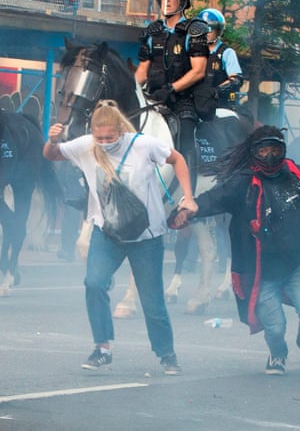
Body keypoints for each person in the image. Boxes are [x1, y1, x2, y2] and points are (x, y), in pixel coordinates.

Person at [43, 100, 196, 375]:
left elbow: (177, 159)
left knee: (152, 300)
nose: (104, 143)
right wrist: (52, 140)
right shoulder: (86, 145)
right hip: (107, 232)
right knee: (94, 283)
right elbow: (52, 155)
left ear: (121, 132)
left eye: (109, 138)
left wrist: (188, 197)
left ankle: (166, 354)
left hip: (146, 235)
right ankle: (102, 348)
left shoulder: (143, 145)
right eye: (99, 138)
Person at [172, 125, 300, 375]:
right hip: (262, 271)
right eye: (263, 151)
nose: (270, 156)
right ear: (253, 153)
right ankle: (278, 354)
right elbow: (212, 199)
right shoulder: (241, 183)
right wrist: (187, 211)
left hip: (297, 262)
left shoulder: (295, 173)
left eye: (275, 150)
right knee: (275, 327)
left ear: (283, 150)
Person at [134, 0, 209, 188]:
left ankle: (187, 194)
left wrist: (172, 89)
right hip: (153, 98)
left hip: (183, 100)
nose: (166, 1)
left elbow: (198, 70)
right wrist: (131, 89)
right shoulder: (152, 32)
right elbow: (142, 71)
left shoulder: (195, 30)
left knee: (186, 135)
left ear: (183, 2)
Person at [195, 8, 243, 111]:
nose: (206, 32)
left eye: (210, 28)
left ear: (218, 31)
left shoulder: (227, 52)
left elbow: (236, 80)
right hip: (194, 104)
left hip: (219, 106)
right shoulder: (193, 52)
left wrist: (215, 91)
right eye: (202, 28)